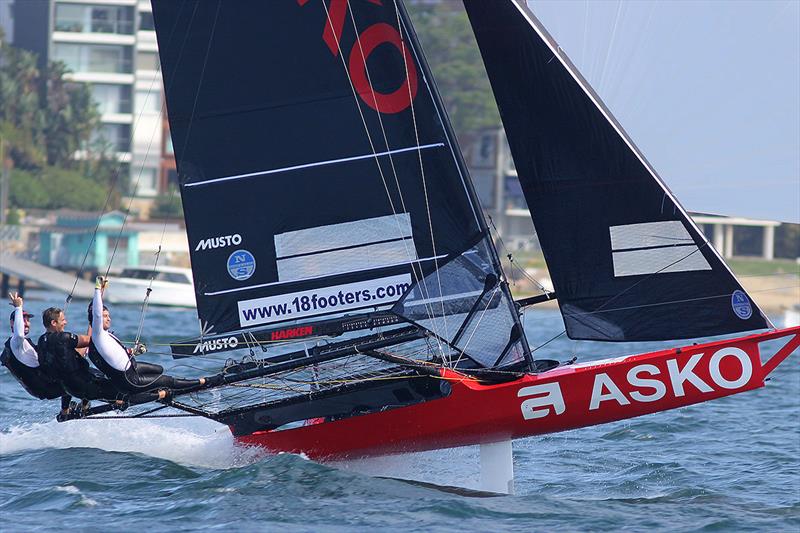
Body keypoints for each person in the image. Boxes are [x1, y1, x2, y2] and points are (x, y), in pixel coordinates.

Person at [87, 276, 208, 395]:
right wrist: (97, 289)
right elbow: (96, 313)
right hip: (130, 381)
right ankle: (201, 382)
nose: (108, 319)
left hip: (131, 368)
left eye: (108, 316)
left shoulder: (106, 336)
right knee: (166, 380)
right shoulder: (99, 335)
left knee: (158, 369)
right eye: (105, 316)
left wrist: (134, 351)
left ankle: (156, 390)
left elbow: (115, 355)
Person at [37, 302, 124, 417]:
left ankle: (66, 410)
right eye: (62, 320)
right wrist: (104, 335)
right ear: (53, 323)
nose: (65, 322)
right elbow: (91, 340)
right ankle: (154, 395)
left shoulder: (42, 341)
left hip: (65, 388)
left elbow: (81, 351)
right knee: (121, 390)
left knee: (70, 373)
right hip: (83, 387)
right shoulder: (64, 338)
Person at [1, 292, 72, 418]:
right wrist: (18, 307)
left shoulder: (27, 344)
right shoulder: (16, 343)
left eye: (28, 320)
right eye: (23, 320)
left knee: (68, 369)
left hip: (44, 385)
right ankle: (113, 398)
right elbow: (19, 334)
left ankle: (65, 412)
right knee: (73, 379)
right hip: (43, 388)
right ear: (13, 323)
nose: (27, 323)